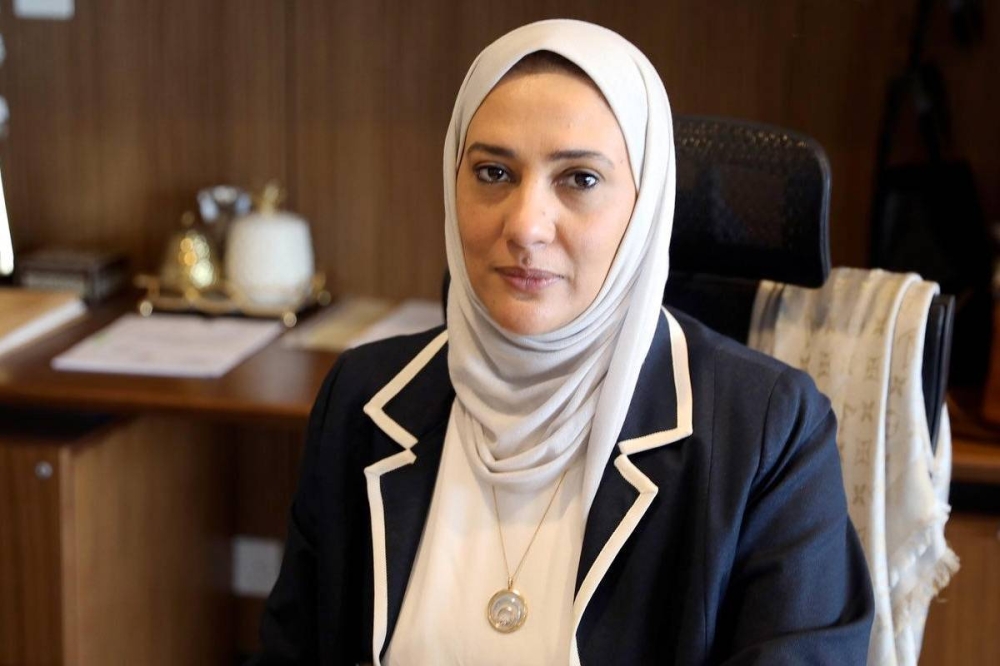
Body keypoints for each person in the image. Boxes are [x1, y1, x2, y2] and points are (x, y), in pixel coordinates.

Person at [250, 19, 873, 665]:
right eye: (493, 172)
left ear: (645, 204)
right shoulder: (362, 399)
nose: (526, 226)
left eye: (580, 179)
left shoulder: (769, 431)